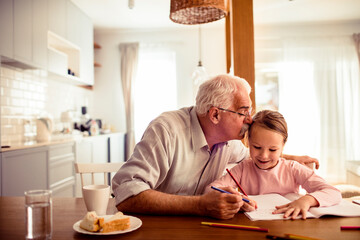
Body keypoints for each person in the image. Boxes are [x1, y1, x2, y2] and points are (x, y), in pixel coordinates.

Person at [112, 74, 319, 220]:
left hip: (199, 227)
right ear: (215, 115)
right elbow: (127, 194)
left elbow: (252, 154)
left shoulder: (229, 141)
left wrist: (291, 158)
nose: (250, 120)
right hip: (156, 228)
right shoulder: (166, 130)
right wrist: (201, 205)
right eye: (243, 112)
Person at [206, 110, 341, 219]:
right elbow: (210, 189)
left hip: (290, 224)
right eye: (257, 147)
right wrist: (235, 199)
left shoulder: (293, 168)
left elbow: (333, 192)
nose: (264, 156)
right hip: (253, 226)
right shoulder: (242, 168)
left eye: (272, 150)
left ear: (283, 146)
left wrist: (306, 200)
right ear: (247, 141)